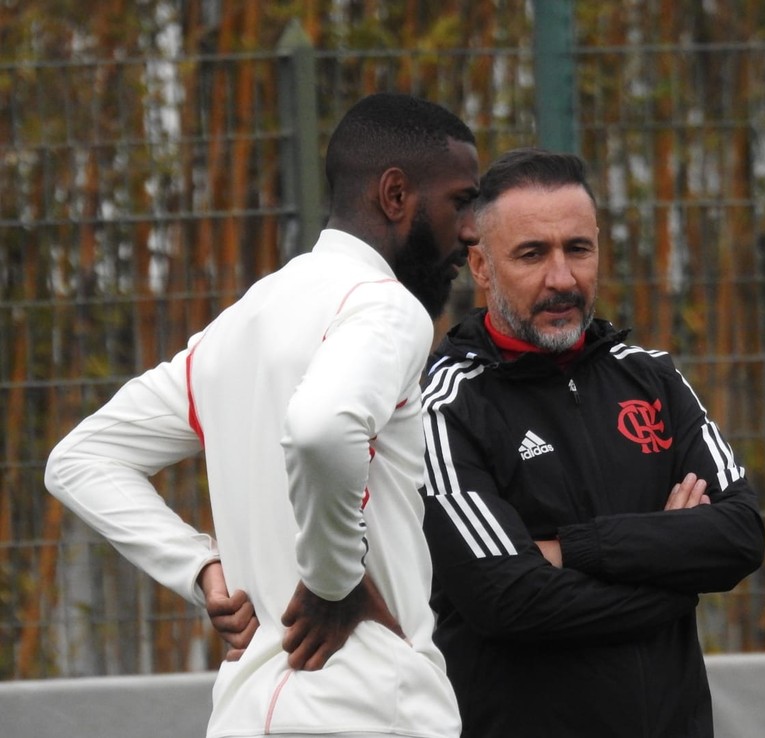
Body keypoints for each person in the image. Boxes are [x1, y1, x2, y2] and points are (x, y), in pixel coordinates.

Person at [44, 92, 481, 738]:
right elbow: (321, 429)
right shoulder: (387, 308)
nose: (470, 230)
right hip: (369, 709)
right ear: (395, 195)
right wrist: (333, 582)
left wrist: (200, 569)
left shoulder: (237, 326)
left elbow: (79, 460)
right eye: (461, 201)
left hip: (247, 714)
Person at [419, 148, 765, 737]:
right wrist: (675, 580)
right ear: (481, 267)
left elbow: (741, 535)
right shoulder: (446, 405)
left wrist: (571, 550)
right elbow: (508, 599)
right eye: (532, 254)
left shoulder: (652, 377)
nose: (562, 279)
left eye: (578, 249)